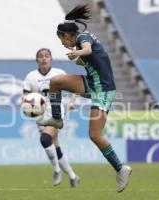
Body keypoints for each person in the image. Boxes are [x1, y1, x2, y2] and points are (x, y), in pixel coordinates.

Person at [37, 4, 132, 192]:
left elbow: (88, 50)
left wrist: (77, 53)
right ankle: (56, 119)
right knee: (55, 82)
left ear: (66, 35)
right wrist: (79, 59)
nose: (63, 44)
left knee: (95, 135)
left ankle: (121, 168)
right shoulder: (80, 39)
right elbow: (93, 57)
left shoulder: (82, 38)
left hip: (103, 89)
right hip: (92, 82)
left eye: (62, 40)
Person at [22, 48, 80, 188]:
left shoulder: (58, 73)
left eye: (47, 56)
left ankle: (56, 170)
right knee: (55, 147)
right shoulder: (31, 76)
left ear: (51, 59)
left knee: (45, 139)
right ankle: (73, 176)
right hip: (40, 115)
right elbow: (25, 96)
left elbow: (75, 87)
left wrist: (72, 101)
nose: (44, 58)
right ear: (37, 60)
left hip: (57, 111)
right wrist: (28, 106)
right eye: (41, 56)